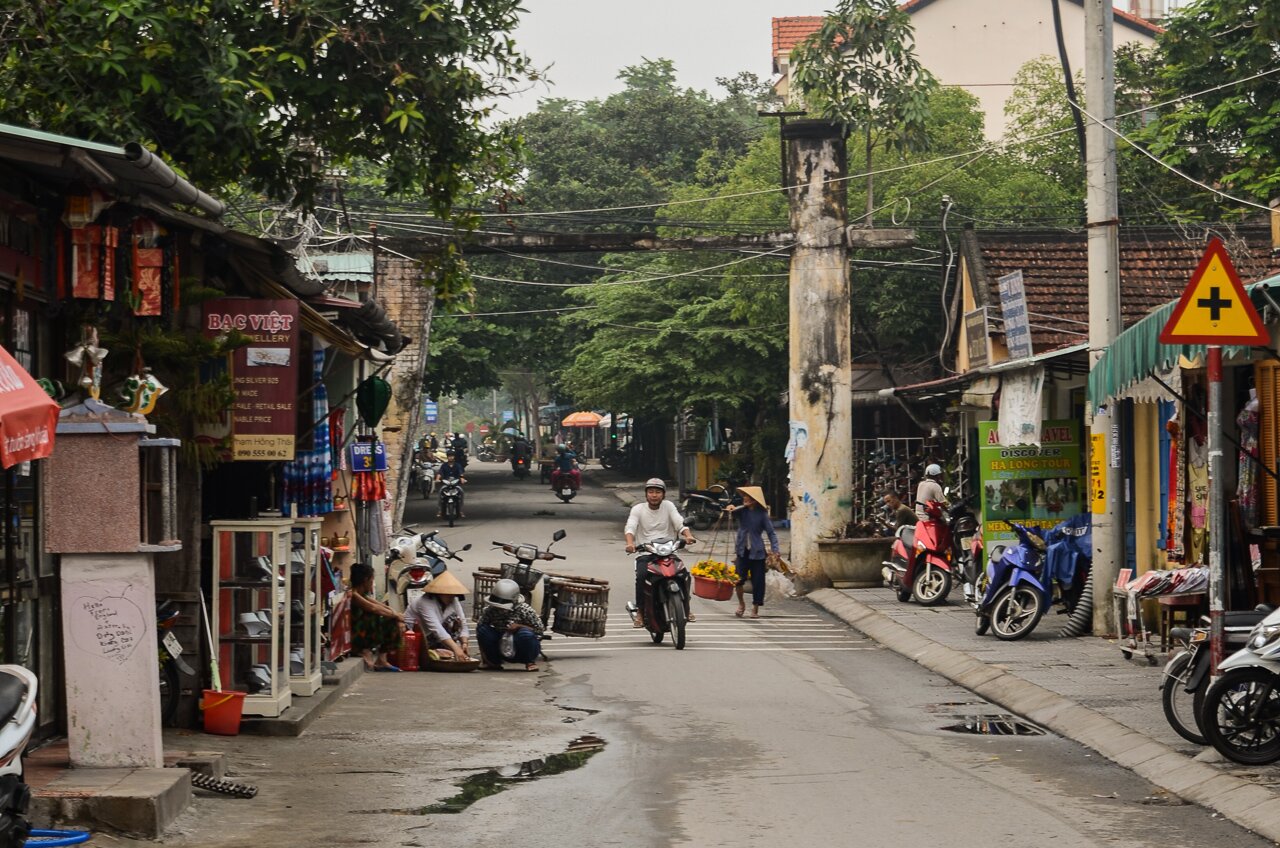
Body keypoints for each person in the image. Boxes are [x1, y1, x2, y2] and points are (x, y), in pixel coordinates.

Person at [625, 478, 697, 627]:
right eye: (651, 492)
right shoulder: (638, 509)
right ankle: (640, 611)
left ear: (663, 495)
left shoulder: (668, 506)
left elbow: (679, 522)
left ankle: (686, 607)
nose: (654, 495)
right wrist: (630, 544)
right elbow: (630, 527)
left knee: (683, 574)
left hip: (668, 550)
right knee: (642, 576)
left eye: (658, 492)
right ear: (646, 494)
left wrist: (688, 536)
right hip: (646, 552)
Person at [724, 485, 781, 619]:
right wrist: (731, 508)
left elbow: (771, 533)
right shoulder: (742, 511)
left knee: (758, 582)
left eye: (748, 497)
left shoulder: (762, 514)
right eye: (744, 496)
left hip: (757, 552)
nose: (745, 499)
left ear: (754, 500)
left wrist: (775, 549)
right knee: (738, 580)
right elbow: (731, 511)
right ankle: (741, 604)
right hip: (742, 550)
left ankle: (755, 609)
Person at [475, 578, 545, 671]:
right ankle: (493, 662)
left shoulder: (525, 610)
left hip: (519, 645)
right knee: (483, 630)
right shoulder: (490, 609)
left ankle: (529, 661)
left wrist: (519, 626)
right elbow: (480, 629)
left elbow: (539, 630)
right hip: (500, 641)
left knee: (525, 634)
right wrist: (484, 658)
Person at [348, 562, 404, 671]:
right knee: (387, 619)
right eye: (371, 580)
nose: (372, 583)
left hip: (362, 633)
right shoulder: (353, 594)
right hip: (355, 635)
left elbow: (380, 605)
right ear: (365, 580)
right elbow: (373, 608)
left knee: (392, 619)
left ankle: (381, 659)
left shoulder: (362, 594)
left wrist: (396, 615)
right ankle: (363, 650)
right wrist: (396, 616)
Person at [404, 571, 470, 660]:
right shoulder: (424, 602)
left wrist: (464, 643)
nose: (451, 597)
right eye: (448, 595)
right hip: (415, 636)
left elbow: (463, 623)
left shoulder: (453, 600)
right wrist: (456, 648)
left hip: (434, 637)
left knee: (455, 620)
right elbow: (436, 628)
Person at [435, 450, 468, 518]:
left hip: (455, 484)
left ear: (454, 457)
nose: (451, 457)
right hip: (446, 483)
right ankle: (440, 510)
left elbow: (461, 473)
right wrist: (437, 479)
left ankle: (460, 510)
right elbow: (440, 473)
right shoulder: (444, 465)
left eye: (452, 456)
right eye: (449, 456)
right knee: (440, 492)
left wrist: (462, 479)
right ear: (447, 457)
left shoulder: (457, 465)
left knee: (461, 491)